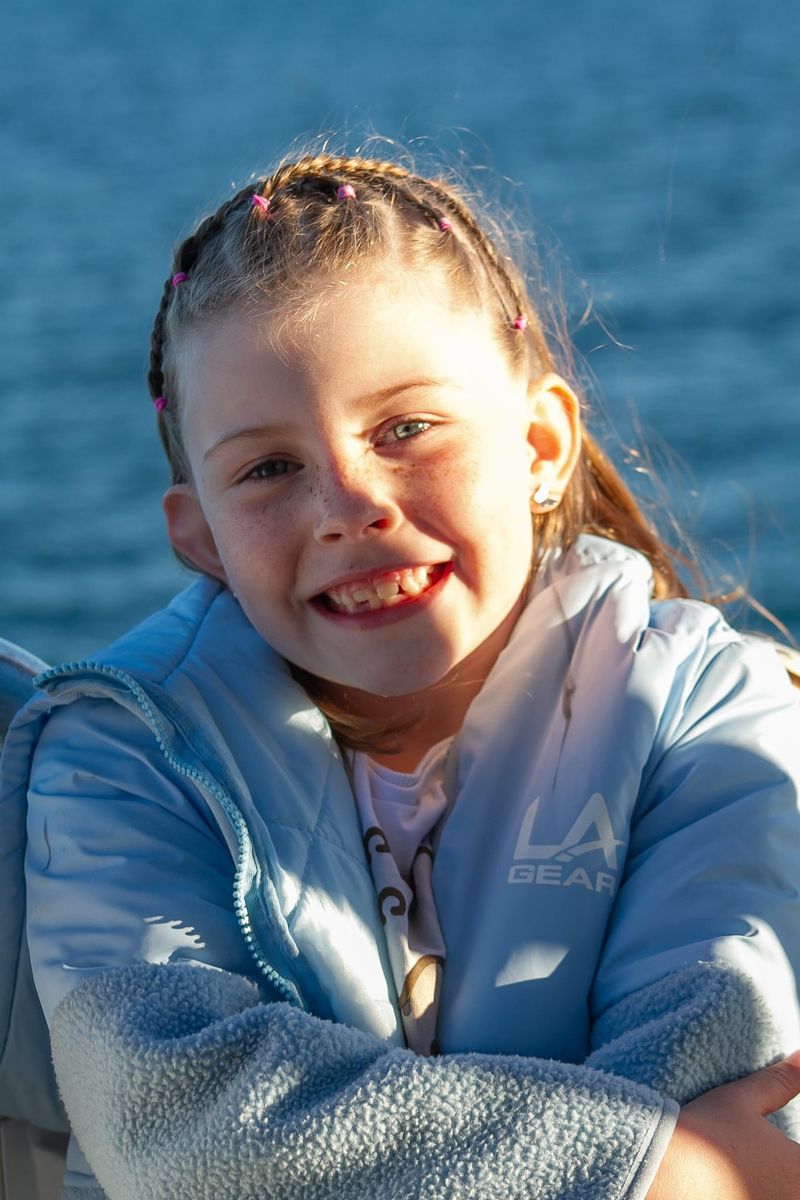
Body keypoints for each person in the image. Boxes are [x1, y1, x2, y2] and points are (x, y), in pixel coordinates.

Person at [5, 151, 800, 1199]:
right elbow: (176, 1115)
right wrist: (640, 1173)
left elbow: (717, 1049)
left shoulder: (705, 710)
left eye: (405, 429)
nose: (348, 504)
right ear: (198, 537)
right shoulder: (122, 751)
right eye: (268, 469)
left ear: (538, 445)